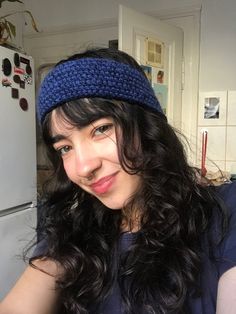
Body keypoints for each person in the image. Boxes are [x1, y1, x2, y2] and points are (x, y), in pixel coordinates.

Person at [0, 47, 236, 314]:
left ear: (146, 126)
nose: (84, 167)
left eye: (100, 129)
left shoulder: (224, 214)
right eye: (65, 148)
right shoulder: (75, 232)